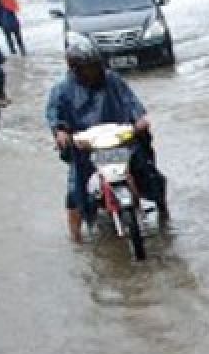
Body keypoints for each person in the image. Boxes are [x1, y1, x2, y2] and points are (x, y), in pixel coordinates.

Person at [45, 34, 167, 242]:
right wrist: (61, 132)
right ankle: (76, 238)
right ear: (75, 69)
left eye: (96, 66)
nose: (94, 72)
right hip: (87, 149)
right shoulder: (62, 90)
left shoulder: (112, 80)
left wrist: (140, 119)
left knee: (150, 174)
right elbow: (55, 115)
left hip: (119, 142)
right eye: (88, 68)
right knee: (75, 191)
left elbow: (131, 102)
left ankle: (164, 215)